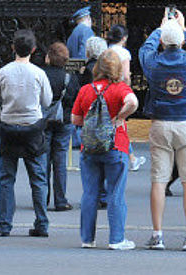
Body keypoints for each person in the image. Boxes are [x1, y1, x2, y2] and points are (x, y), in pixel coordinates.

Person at [139, 12, 186, 251]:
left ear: (161, 41)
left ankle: (157, 234)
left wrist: (159, 30)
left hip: (161, 122)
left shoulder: (153, 63)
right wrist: (184, 28)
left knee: (158, 179)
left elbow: (144, 50)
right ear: (181, 42)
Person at [0, 29, 53, 237]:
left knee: (6, 179)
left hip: (9, 127)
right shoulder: (39, 73)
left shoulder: (3, 72)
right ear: (33, 49)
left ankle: (4, 225)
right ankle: (41, 223)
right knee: (38, 179)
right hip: (32, 128)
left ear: (13, 47)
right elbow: (47, 101)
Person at [71, 49, 138, 249]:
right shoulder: (120, 88)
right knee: (115, 193)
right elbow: (133, 102)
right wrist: (119, 117)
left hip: (89, 148)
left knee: (90, 193)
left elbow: (75, 119)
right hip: (115, 146)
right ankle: (116, 239)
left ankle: (87, 239)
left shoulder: (86, 89)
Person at [41, 41, 78, 212]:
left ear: (49, 57)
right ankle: (60, 200)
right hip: (64, 121)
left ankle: (43, 198)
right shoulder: (69, 78)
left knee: (44, 159)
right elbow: (74, 100)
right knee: (60, 160)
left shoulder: (41, 74)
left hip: (45, 121)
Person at [105, 24, 145, 172]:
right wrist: (127, 89)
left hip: (106, 89)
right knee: (119, 123)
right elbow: (126, 75)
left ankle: (130, 157)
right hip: (119, 89)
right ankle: (131, 158)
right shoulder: (124, 53)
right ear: (123, 38)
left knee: (112, 122)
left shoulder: (106, 51)